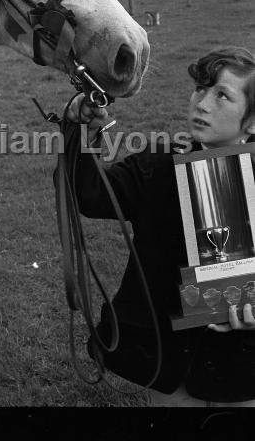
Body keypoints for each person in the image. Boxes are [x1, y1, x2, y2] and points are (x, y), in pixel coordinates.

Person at [65, 46, 255, 407]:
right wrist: (80, 134)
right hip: (168, 360)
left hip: (243, 366)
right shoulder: (158, 164)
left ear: (251, 121)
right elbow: (89, 195)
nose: (202, 103)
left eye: (223, 96)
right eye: (200, 89)